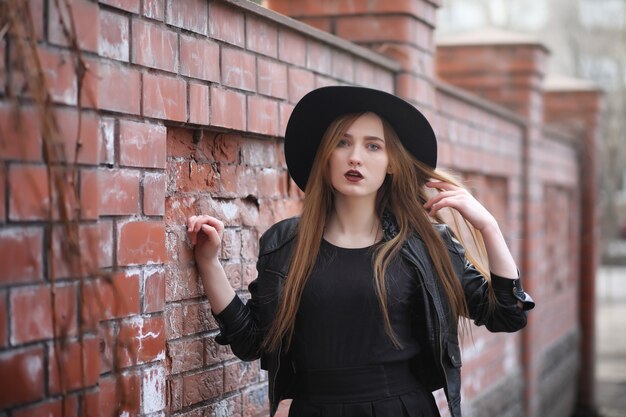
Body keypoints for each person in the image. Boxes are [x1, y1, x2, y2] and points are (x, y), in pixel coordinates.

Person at [186, 86, 535, 417]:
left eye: (373, 146)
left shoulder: (425, 244)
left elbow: (508, 314)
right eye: (343, 142)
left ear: (392, 162)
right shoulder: (285, 243)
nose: (355, 157)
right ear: (326, 157)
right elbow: (252, 341)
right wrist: (208, 261)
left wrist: (488, 227)